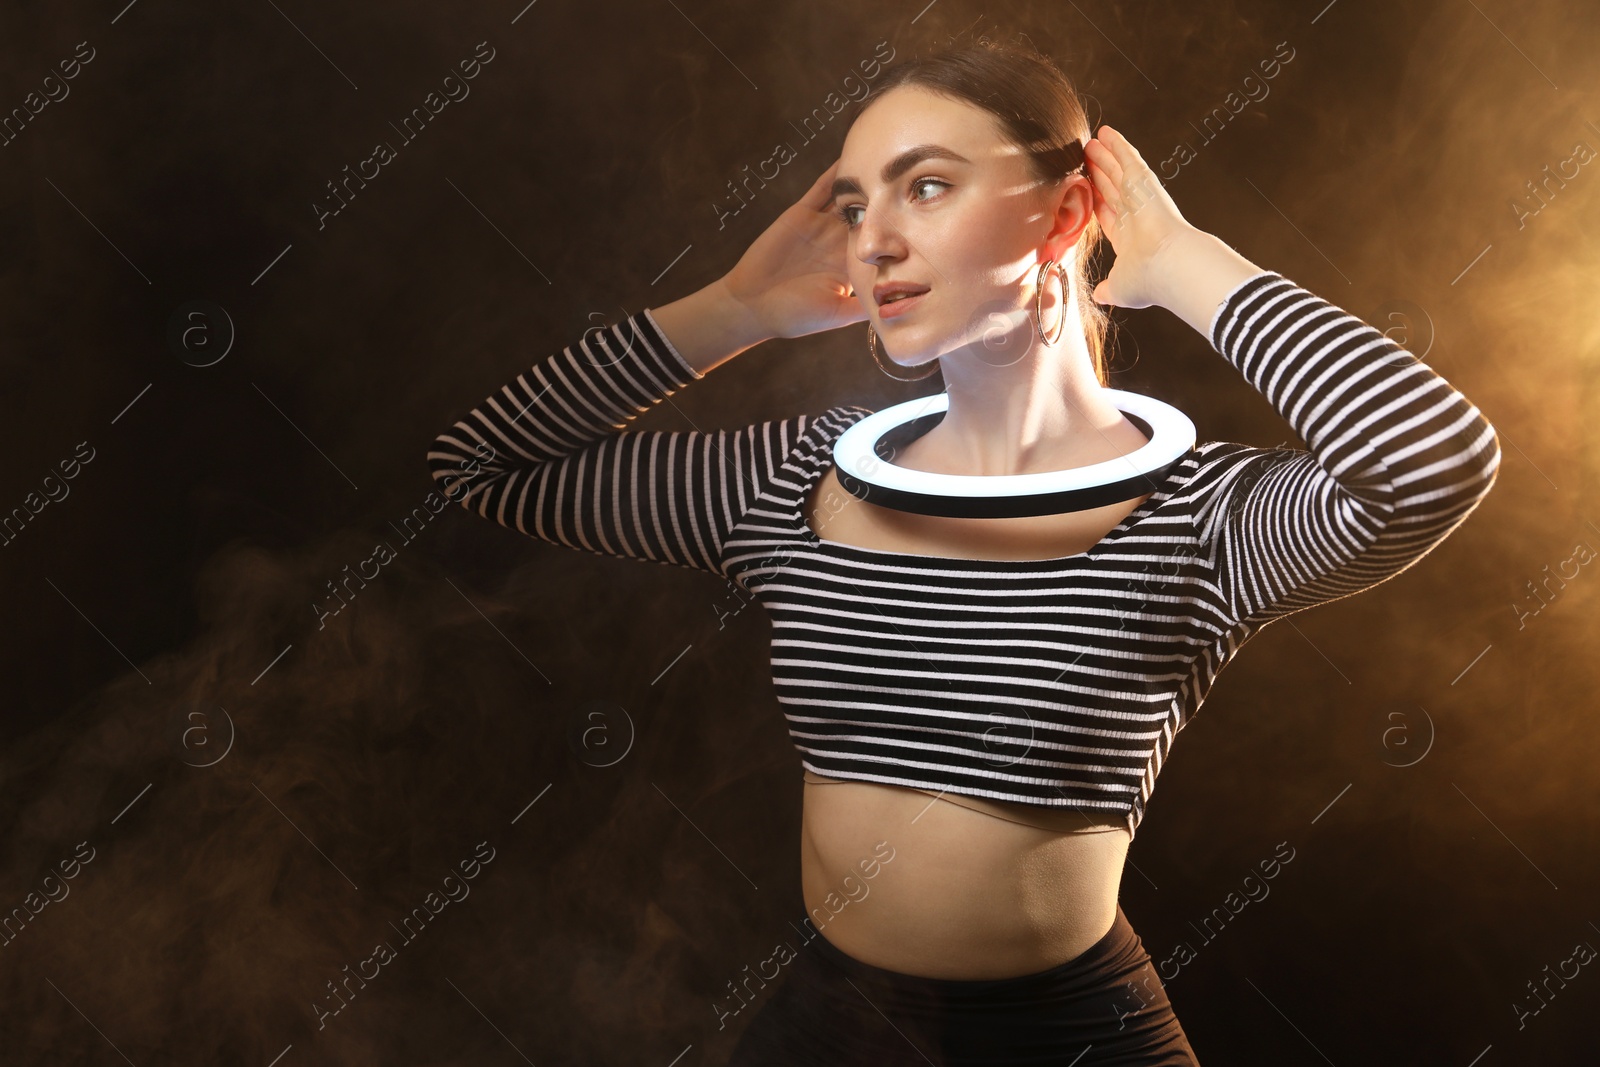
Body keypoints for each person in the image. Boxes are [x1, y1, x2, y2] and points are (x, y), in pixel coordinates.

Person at [426, 38, 1499, 1067]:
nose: (872, 239)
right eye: (855, 204)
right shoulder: (794, 479)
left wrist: (1184, 265)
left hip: (1070, 1031)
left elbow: (1430, 462)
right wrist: (735, 309)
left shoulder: (1198, 513)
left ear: (1065, 211)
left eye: (925, 186)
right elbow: (481, 464)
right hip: (830, 1025)